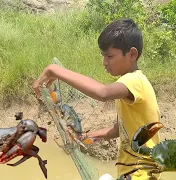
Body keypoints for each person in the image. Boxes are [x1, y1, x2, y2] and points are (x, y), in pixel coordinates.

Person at [32, 18, 161, 180]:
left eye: (110, 56)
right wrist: (85, 137)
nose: (104, 62)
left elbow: (103, 93)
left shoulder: (135, 81)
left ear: (132, 54)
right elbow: (119, 129)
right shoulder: (127, 87)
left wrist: (55, 70)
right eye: (103, 56)